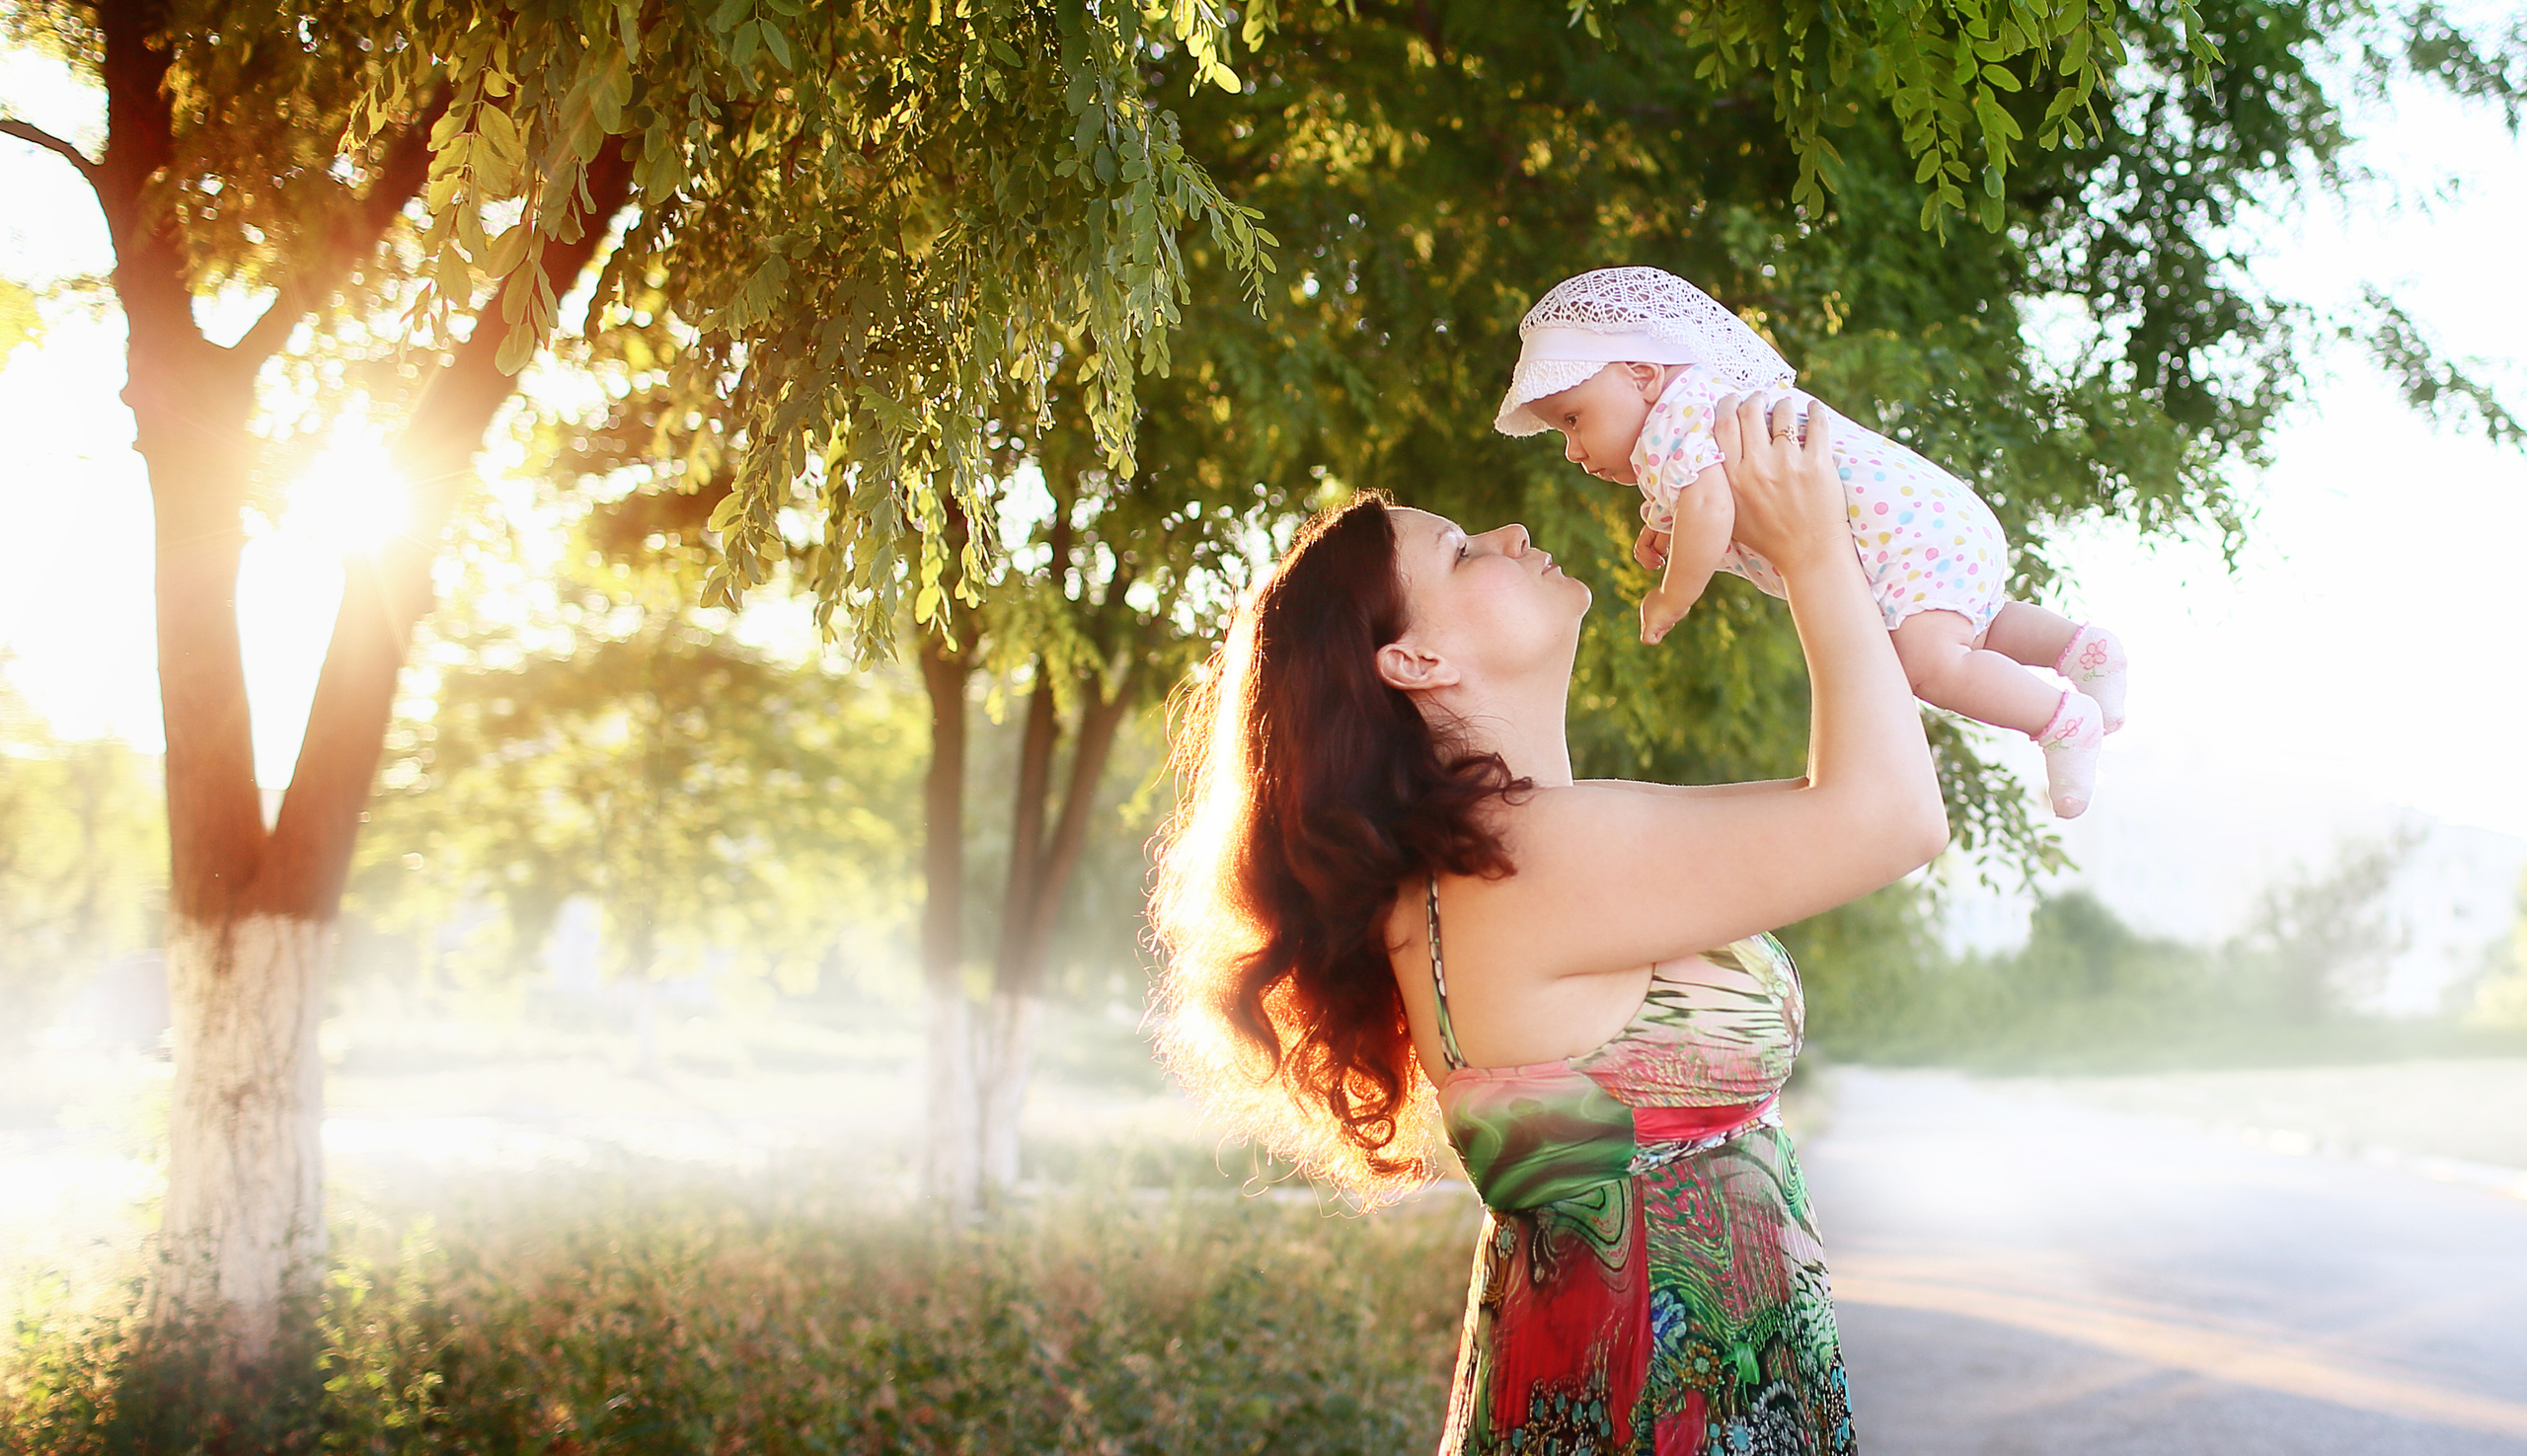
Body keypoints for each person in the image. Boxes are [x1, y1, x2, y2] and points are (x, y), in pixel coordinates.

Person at [1149, 395, 1948, 1455]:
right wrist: (1810, 553)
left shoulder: (1495, 858)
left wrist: (1782, 551)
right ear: (1415, 660)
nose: (1513, 533)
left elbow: (1840, 793)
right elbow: (1888, 814)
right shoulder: (1523, 861)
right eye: (1463, 549)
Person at [1495, 266, 2127, 818]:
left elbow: (1712, 505)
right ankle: (2085, 650)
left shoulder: (1672, 426)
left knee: (1926, 664)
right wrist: (1666, 525)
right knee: (1976, 633)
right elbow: (1709, 498)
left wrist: (1672, 595)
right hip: (1932, 521)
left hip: (1900, 536)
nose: (1573, 451)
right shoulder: (1698, 408)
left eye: (1574, 420)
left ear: (1641, 374)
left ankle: (2062, 723)